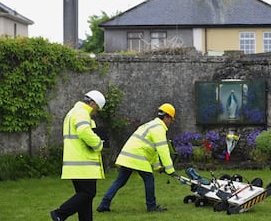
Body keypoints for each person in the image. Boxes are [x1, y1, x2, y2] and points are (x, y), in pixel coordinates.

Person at [96, 103, 176, 213]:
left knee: (120, 181)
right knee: (149, 179)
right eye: (171, 119)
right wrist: (170, 169)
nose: (171, 122)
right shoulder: (158, 129)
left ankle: (104, 204)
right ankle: (151, 206)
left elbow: (152, 151)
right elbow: (163, 150)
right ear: (166, 117)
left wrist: (158, 167)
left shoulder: (149, 125)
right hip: (138, 156)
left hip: (128, 156)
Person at [50, 90, 106, 221]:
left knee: (84, 199)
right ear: (92, 103)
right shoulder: (82, 113)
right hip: (84, 163)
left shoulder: (72, 112)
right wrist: (98, 144)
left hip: (75, 163)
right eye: (96, 108)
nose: (95, 112)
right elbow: (84, 131)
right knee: (88, 193)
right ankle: (60, 214)